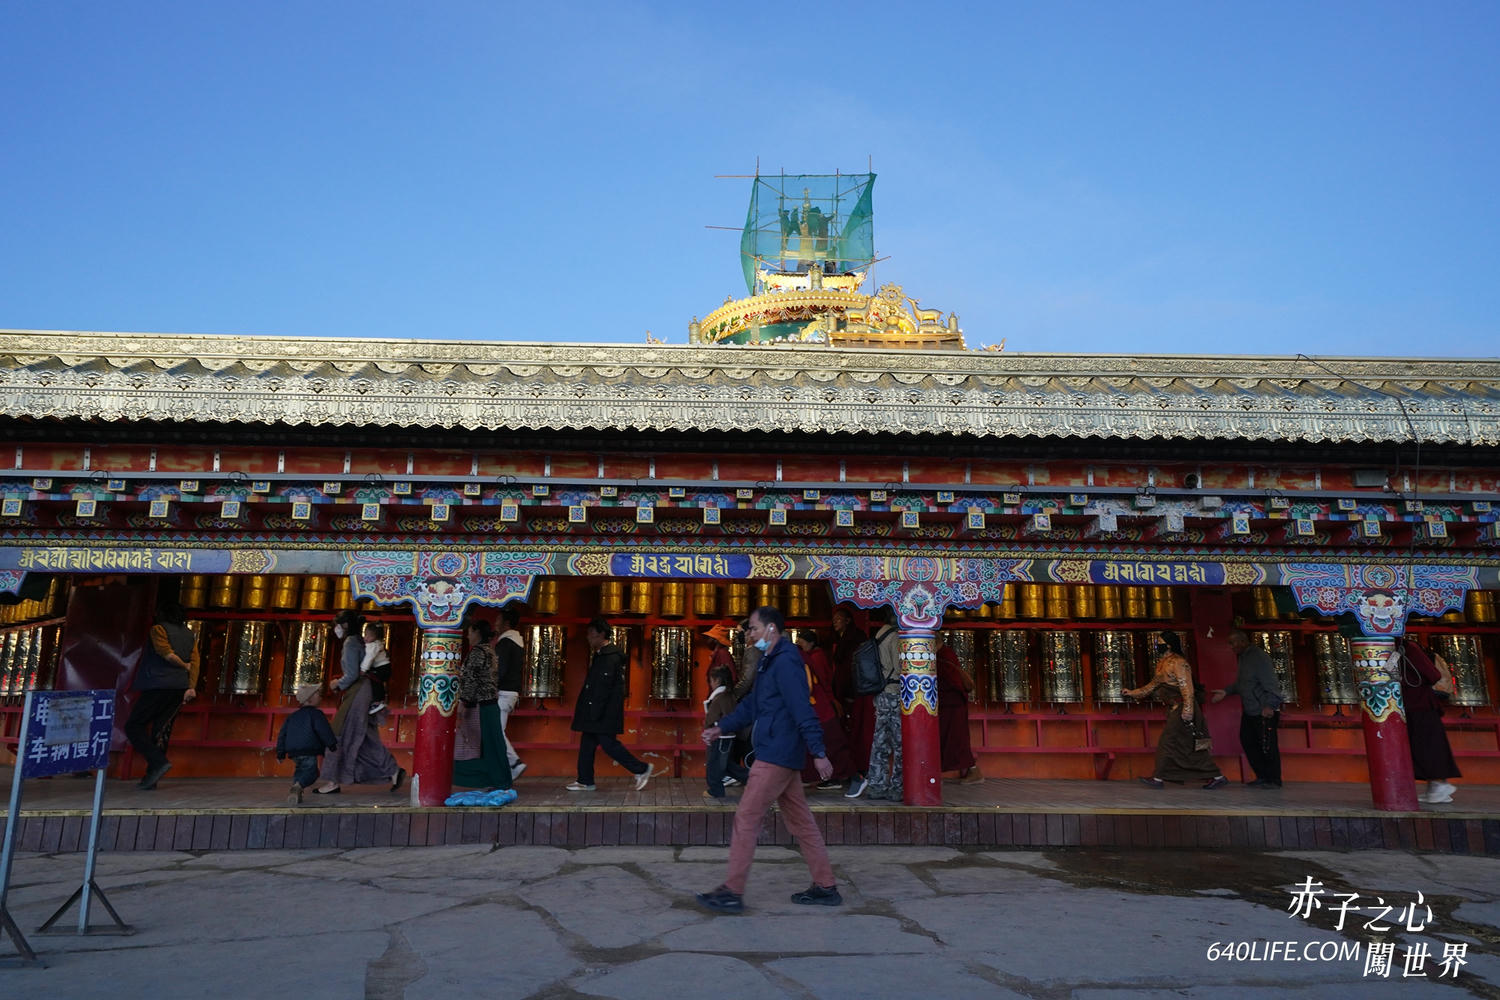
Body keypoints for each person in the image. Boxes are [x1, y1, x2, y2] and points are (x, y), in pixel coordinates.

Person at [696, 605, 840, 913]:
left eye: (752, 628)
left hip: (777, 752)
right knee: (801, 821)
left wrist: (818, 752)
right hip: (778, 750)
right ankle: (825, 885)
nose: (749, 634)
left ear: (771, 629)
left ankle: (732, 891)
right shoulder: (768, 661)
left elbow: (803, 708)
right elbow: (751, 707)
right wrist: (722, 727)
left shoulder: (787, 662)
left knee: (746, 818)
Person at [316, 610, 405, 795]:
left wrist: (336, 684)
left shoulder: (350, 643)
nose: (336, 629)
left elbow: (352, 675)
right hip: (368, 691)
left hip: (358, 691)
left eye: (337, 625)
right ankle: (393, 771)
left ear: (345, 625)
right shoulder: (360, 641)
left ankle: (333, 781)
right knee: (365, 736)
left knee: (339, 733)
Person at [1125, 631, 1228, 790]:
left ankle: (1158, 778)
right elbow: (1152, 686)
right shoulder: (1163, 663)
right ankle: (1217, 776)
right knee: (1185, 745)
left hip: (1182, 709)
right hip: (1174, 709)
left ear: (1169, 645)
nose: (1157, 646)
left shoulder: (1179, 663)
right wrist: (1133, 693)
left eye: (1160, 643)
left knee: (1168, 742)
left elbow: (1186, 687)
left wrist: (1188, 709)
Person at [568, 617, 654, 792]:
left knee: (609, 745)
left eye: (591, 634)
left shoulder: (609, 658)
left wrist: (594, 712)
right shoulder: (603, 655)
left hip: (602, 712)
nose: (588, 637)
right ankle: (585, 780)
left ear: (601, 634)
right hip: (597, 711)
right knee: (587, 744)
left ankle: (641, 769)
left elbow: (602, 688)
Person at [125, 602, 200, 790]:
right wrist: (191, 687)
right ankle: (152, 777)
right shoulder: (189, 634)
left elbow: (165, 653)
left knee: (134, 725)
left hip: (157, 685)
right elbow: (196, 662)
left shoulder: (158, 630)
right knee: (161, 731)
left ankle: (157, 762)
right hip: (178, 688)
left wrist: (184, 666)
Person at [1212, 630, 1284, 787]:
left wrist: (1270, 705)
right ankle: (1262, 776)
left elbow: (1271, 684)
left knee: (1267, 745)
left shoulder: (1258, 657)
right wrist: (1226, 692)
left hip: (1263, 710)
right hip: (1250, 710)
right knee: (1248, 741)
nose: (1231, 647)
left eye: (1233, 643)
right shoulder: (1244, 658)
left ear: (1242, 642)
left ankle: (1273, 779)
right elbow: (1243, 684)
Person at [452, 618, 514, 791]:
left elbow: (471, 680)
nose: (467, 635)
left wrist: (463, 704)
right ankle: (498, 780)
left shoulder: (478, 652)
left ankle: (491, 780)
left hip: (480, 707)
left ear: (478, 632)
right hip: (490, 704)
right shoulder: (489, 650)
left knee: (480, 746)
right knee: (492, 745)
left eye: (470, 632)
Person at [1399, 639, 1461, 804]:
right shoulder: (1396, 649)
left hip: (1422, 705)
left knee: (1428, 746)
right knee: (1422, 746)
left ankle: (1438, 786)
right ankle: (1436, 788)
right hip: (1410, 706)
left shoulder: (1409, 648)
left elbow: (1434, 675)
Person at [794, 630, 855, 790]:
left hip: (818, 707)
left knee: (831, 744)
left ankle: (844, 778)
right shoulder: (804, 657)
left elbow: (810, 685)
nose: (801, 645)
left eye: (802, 642)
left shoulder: (811, 657)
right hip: (817, 707)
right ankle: (823, 777)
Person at [861, 606, 905, 801]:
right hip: (894, 692)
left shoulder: (879, 633)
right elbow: (899, 666)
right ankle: (897, 786)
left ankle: (877, 784)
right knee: (898, 742)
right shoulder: (894, 636)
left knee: (880, 742)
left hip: (881, 694)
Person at [276, 683, 337, 804]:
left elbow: (282, 735)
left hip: (294, 752)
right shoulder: (316, 714)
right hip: (309, 750)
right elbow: (324, 730)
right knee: (312, 773)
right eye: (318, 695)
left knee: (300, 770)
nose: (320, 697)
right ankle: (298, 786)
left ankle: (296, 789)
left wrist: (280, 754)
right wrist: (332, 744)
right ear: (310, 699)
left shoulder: (292, 716)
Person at [936, 630, 982, 783]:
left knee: (955, 740)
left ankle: (973, 771)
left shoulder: (944, 655)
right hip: (947, 704)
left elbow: (950, 681)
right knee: (946, 739)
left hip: (951, 705)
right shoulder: (944, 654)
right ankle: (936, 771)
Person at [703, 664, 748, 800]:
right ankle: (752, 779)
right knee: (727, 765)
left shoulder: (720, 697)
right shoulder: (728, 696)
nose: (710, 684)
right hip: (725, 735)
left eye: (711, 681)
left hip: (721, 736)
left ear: (716, 680)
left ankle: (715, 790)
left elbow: (720, 716)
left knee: (714, 763)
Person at [494, 605, 527, 779]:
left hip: (503, 692)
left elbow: (500, 669)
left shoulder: (506, 643)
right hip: (510, 692)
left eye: (498, 620)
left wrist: (492, 687)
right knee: (497, 730)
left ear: (506, 623)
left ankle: (514, 763)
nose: (495, 623)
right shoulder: (517, 642)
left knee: (495, 732)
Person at [360, 621, 391, 716]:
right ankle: (379, 701)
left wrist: (363, 669)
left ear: (376, 637)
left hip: (381, 668)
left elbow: (369, 658)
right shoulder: (377, 644)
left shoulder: (373, 646)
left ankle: (377, 702)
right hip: (385, 667)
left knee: (373, 682)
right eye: (365, 635)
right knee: (377, 682)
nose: (366, 638)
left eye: (369, 636)